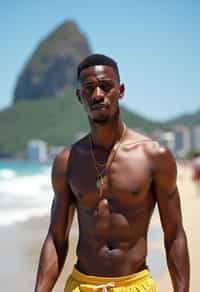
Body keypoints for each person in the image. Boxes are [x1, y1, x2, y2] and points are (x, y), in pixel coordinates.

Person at [34, 54, 190, 292]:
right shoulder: (68, 161)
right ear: (79, 96)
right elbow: (56, 238)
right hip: (81, 285)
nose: (97, 95)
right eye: (89, 88)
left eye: (106, 86)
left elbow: (174, 234)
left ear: (121, 90)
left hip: (134, 285)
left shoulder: (154, 156)